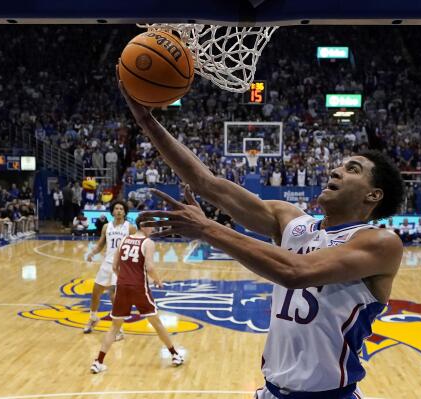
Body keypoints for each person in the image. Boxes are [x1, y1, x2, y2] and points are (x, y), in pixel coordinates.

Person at [118, 69, 404, 399]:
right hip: (270, 391)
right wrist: (147, 122)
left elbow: (296, 272)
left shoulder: (380, 243)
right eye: (341, 164)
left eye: (353, 169)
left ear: (373, 195)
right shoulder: (292, 222)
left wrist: (207, 228)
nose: (337, 169)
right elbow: (207, 184)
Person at [90, 214, 184, 374]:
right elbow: (150, 267)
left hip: (122, 286)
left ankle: (98, 362)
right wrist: (158, 281)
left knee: (114, 327)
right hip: (139, 287)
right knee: (156, 323)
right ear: (144, 226)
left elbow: (114, 266)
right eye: (152, 225)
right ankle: (175, 355)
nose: (153, 229)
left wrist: (124, 278)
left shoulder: (124, 240)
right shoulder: (148, 243)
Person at [84, 200, 136, 336]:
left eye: (121, 209)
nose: (119, 211)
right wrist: (92, 253)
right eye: (116, 208)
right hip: (107, 262)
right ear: (112, 211)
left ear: (125, 212)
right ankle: (93, 317)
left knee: (114, 295)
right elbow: (101, 244)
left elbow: (135, 247)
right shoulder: (106, 227)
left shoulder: (130, 227)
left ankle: (119, 329)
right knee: (96, 291)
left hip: (121, 265)